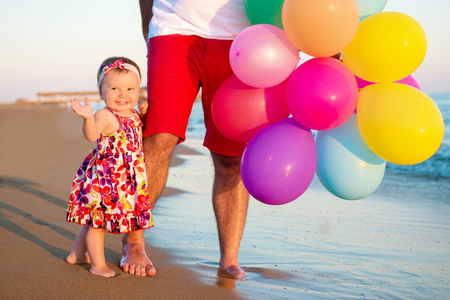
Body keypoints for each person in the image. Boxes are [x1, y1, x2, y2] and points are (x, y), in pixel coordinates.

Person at [118, 0, 251, 278]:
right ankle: (133, 242)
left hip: (241, 38)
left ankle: (229, 258)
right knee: (159, 136)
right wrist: (149, 26)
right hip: (173, 28)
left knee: (231, 157)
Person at [66, 56, 154, 277]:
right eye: (114, 88)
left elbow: (137, 134)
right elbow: (92, 135)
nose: (123, 95)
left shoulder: (133, 114)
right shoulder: (105, 115)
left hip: (124, 180)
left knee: (92, 220)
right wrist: (87, 118)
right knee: (98, 223)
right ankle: (98, 266)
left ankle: (76, 255)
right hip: (106, 180)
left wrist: (145, 112)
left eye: (130, 89)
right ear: (101, 92)